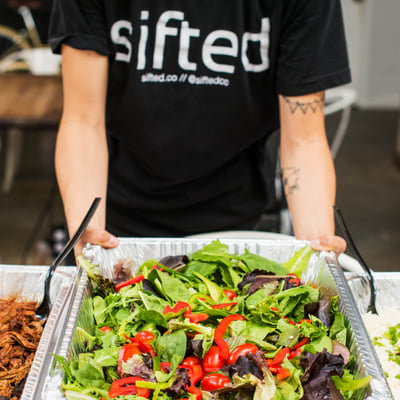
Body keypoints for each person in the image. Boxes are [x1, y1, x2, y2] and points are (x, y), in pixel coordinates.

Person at [48, 0, 349, 259]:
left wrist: (316, 247)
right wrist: (88, 226)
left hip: (235, 223)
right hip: (117, 220)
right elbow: (83, 120)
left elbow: (304, 139)